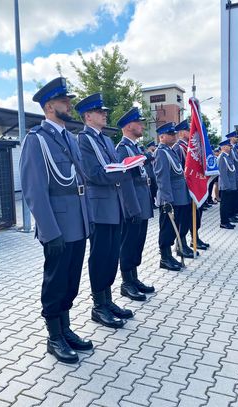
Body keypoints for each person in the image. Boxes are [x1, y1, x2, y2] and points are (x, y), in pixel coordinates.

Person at [20, 77, 93, 364]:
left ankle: (66, 328)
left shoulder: (69, 138)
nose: (69, 105)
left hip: (78, 222)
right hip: (58, 226)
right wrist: (50, 232)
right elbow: (34, 190)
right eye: (64, 101)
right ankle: (54, 335)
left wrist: (88, 219)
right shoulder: (36, 140)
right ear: (49, 107)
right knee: (55, 281)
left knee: (72, 280)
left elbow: (79, 180)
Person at [75, 93, 137, 326]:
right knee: (100, 256)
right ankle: (98, 305)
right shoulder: (83, 140)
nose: (105, 114)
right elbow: (93, 174)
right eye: (100, 112)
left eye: (104, 111)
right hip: (99, 207)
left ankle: (108, 299)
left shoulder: (106, 140)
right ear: (88, 116)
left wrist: (128, 166)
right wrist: (124, 170)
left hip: (114, 204)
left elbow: (113, 166)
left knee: (112, 255)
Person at [115, 107, 156, 301]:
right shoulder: (122, 149)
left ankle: (134, 278)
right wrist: (132, 208)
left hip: (143, 201)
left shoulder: (136, 148)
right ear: (129, 125)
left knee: (138, 243)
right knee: (129, 244)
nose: (142, 126)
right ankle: (126, 283)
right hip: (133, 204)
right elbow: (124, 181)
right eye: (139, 123)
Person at [153, 122, 187, 271]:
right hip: (170, 198)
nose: (174, 136)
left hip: (178, 197)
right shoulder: (161, 152)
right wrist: (167, 200)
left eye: (174, 133)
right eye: (171, 134)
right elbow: (162, 178)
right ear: (162, 137)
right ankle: (164, 258)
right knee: (167, 229)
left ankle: (169, 256)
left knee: (173, 229)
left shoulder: (171, 150)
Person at [173, 119, 209, 252]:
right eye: (189, 130)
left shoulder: (191, 147)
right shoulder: (178, 148)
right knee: (185, 217)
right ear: (182, 133)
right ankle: (181, 243)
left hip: (193, 186)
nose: (192, 133)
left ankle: (195, 237)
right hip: (185, 188)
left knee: (196, 214)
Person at [217, 139, 237, 229]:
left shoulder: (227, 157)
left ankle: (227, 220)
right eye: (229, 146)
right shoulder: (222, 157)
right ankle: (223, 222)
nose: (230, 148)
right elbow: (223, 174)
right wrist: (227, 186)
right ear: (224, 147)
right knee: (224, 205)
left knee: (228, 204)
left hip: (230, 185)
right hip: (226, 186)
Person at [144, 140, 158, 207]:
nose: (155, 147)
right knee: (152, 189)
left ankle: (153, 203)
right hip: (150, 174)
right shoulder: (148, 154)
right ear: (150, 147)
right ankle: (152, 203)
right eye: (153, 146)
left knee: (154, 188)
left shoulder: (152, 153)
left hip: (152, 174)